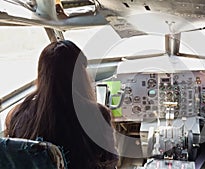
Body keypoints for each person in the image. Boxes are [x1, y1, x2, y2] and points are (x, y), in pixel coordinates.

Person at [4, 40, 119, 169]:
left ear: (42, 73)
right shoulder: (98, 114)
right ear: (80, 75)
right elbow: (110, 162)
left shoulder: (17, 114)